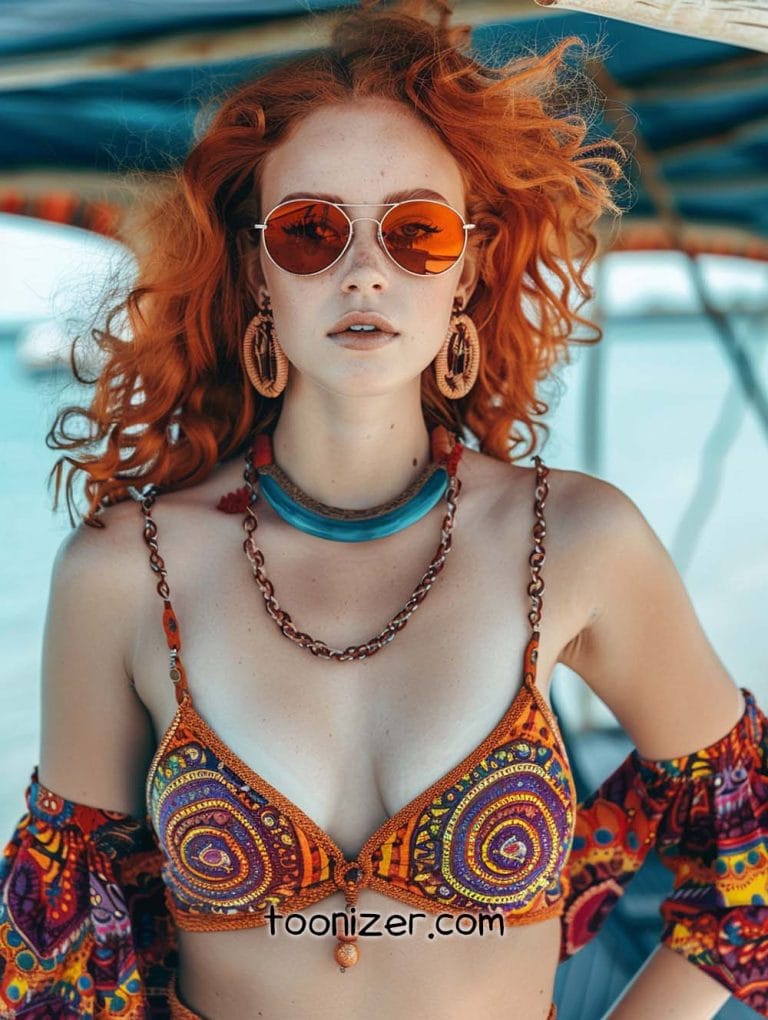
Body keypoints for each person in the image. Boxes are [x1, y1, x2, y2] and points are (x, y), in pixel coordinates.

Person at [1, 2, 766, 1018]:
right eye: (313, 231)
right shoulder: (125, 571)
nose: (366, 269)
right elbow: (66, 965)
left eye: (415, 230)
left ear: (466, 266)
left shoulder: (578, 543)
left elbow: (749, 860)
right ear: (256, 265)